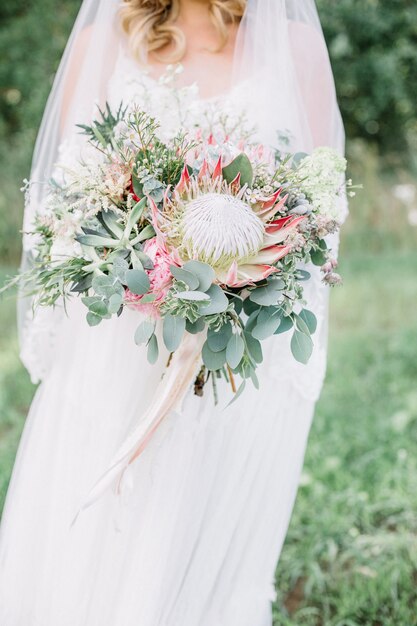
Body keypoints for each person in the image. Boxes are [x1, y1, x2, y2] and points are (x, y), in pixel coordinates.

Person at [0, 1, 346, 624]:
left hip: (237, 341)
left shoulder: (292, 48)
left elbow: (321, 207)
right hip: (117, 338)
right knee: (110, 534)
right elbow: (63, 200)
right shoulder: (104, 43)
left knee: (200, 522)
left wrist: (245, 274)